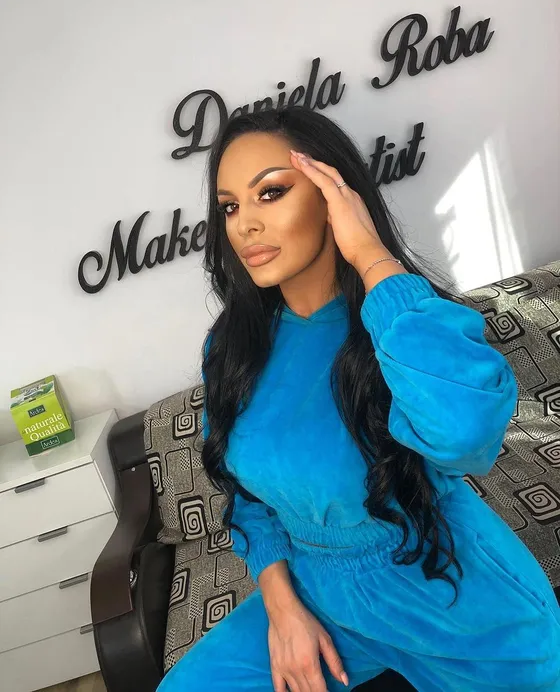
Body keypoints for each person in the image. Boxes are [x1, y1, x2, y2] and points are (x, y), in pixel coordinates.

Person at [158, 107, 560, 692]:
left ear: (333, 196)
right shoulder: (233, 348)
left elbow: (467, 437)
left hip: (452, 595)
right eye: (230, 206)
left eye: (270, 192)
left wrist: (370, 253)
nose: (244, 224)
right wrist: (282, 610)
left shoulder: (402, 325)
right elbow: (245, 496)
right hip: (317, 593)